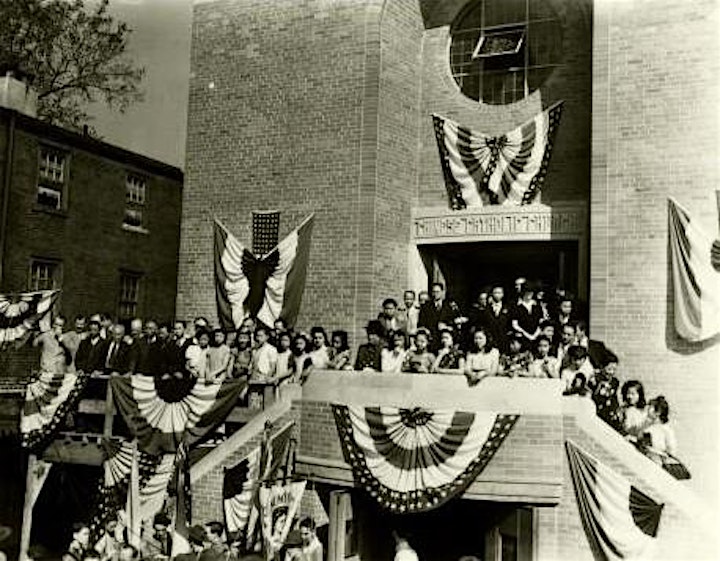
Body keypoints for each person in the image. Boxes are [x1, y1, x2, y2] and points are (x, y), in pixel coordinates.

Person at [639, 396, 677, 464]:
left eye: (650, 407)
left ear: (658, 412)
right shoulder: (646, 426)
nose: (647, 410)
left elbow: (671, 450)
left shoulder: (666, 430)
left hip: (659, 462)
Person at [479, 285, 510, 354]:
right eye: (495, 293)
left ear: (503, 294)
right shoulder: (486, 309)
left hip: (503, 339)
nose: (497, 295)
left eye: (499, 293)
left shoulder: (508, 307)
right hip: (491, 339)